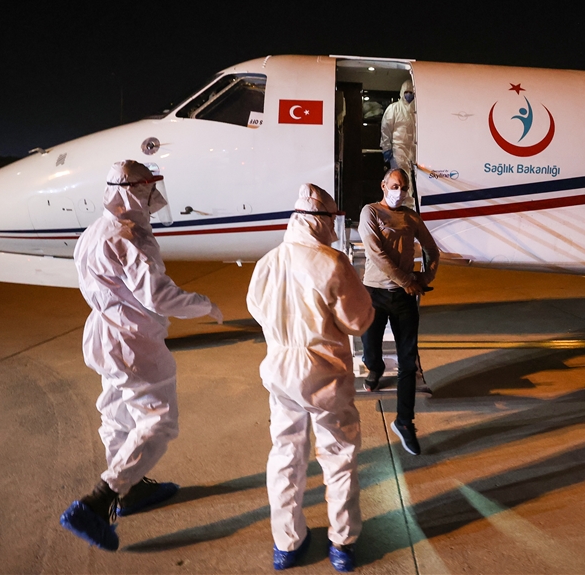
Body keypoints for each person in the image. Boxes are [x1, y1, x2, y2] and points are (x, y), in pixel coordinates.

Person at [60, 160, 223, 550]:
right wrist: (205, 305)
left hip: (104, 334)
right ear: (132, 192)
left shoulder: (94, 231)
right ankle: (99, 500)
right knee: (158, 421)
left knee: (116, 413)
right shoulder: (129, 237)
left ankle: (130, 491)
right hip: (133, 342)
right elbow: (158, 296)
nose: (152, 199)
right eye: (147, 191)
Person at [247, 184, 374, 573]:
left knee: (285, 456)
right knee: (338, 457)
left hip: (280, 371)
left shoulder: (268, 261)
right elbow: (357, 321)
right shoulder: (332, 263)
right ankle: (342, 543)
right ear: (321, 220)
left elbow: (256, 308)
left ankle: (287, 543)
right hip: (324, 375)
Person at [359, 168, 439, 456]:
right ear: (383, 185)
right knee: (370, 347)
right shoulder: (370, 212)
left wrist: (425, 277)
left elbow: (432, 249)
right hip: (375, 293)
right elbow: (377, 255)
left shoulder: (411, 217)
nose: (399, 192)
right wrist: (408, 281)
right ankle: (375, 368)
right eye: (394, 186)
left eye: (403, 188)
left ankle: (404, 422)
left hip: (404, 297)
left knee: (408, 362)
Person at [380, 80, 416, 175]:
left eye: (411, 92)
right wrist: (386, 148)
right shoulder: (393, 108)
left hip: (414, 149)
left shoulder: (417, 110)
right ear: (401, 92)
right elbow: (385, 129)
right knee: (402, 175)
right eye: (406, 92)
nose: (409, 94)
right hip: (398, 149)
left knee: (415, 177)